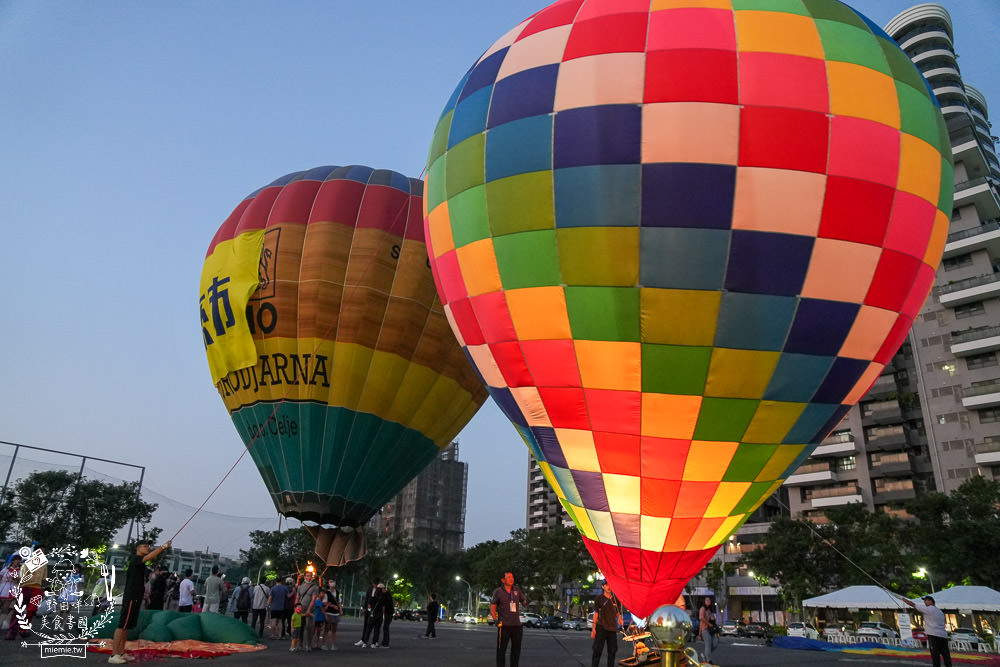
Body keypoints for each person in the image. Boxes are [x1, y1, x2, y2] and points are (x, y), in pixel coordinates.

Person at [108, 539, 170, 665]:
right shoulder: (135, 558)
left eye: (148, 546)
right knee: (122, 625)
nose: (147, 548)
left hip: (136, 597)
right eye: (145, 546)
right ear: (138, 548)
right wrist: (163, 547)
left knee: (127, 626)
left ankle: (121, 652)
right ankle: (114, 654)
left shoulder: (141, 563)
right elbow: (148, 557)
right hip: (131, 596)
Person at [897, 594, 952, 667]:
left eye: (926, 600)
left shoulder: (929, 609)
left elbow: (912, 604)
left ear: (931, 602)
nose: (924, 603)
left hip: (934, 635)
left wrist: (901, 598)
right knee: (946, 655)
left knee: (935, 655)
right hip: (943, 635)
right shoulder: (940, 612)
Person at [9, 545, 48, 640]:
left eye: (43, 551)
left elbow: (43, 579)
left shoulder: (44, 566)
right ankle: (11, 632)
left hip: (37, 589)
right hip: (25, 588)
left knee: (32, 610)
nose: (42, 553)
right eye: (40, 551)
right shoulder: (26, 563)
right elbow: (20, 577)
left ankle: (22, 629)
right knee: (18, 610)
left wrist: (43, 589)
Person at [490, 571, 528, 667]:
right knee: (501, 650)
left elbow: (524, 602)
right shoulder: (498, 591)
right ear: (503, 580)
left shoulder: (517, 590)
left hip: (516, 626)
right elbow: (493, 607)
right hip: (504, 625)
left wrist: (526, 601)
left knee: (516, 650)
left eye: (512, 577)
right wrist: (495, 620)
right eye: (509, 577)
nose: (512, 579)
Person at [591, 580, 623, 667]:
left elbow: (617, 612)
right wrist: (593, 628)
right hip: (601, 627)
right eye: (606, 585)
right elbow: (596, 613)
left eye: (610, 585)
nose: (609, 587)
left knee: (612, 652)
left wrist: (620, 618)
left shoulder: (616, 599)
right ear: (603, 587)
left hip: (612, 628)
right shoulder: (599, 599)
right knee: (597, 651)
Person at [295, 570, 319, 651]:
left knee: (308, 627)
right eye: (307, 576)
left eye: (310, 576)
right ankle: (300, 644)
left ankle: (308, 645)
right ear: (304, 577)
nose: (309, 577)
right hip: (300, 609)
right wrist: (296, 608)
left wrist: (309, 609)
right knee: (300, 627)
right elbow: (297, 598)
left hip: (310, 609)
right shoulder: (300, 587)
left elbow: (313, 599)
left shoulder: (315, 587)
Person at [0, 554, 23, 632]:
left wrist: (15, 579)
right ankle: (5, 621)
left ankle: (4, 622)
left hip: (13, 589)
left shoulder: (20, 571)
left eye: (19, 560)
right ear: (12, 561)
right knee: (4, 607)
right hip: (3, 588)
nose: (18, 561)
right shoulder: (5, 569)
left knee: (7, 607)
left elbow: (21, 581)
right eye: (16, 559)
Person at [698, 597, 719, 665]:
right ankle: (708, 660)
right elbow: (701, 618)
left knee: (715, 643)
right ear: (704, 601)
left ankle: (705, 655)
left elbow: (712, 618)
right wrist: (708, 624)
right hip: (705, 628)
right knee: (708, 644)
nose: (708, 601)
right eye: (707, 600)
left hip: (712, 629)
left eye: (709, 600)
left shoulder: (710, 609)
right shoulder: (703, 608)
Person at [323, 579, 341, 650]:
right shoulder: (326, 593)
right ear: (328, 584)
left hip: (336, 613)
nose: (332, 583)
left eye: (333, 582)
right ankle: (324, 644)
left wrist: (340, 610)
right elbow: (324, 602)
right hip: (328, 612)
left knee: (334, 630)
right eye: (330, 582)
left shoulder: (337, 592)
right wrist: (332, 606)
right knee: (326, 629)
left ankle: (333, 645)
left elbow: (339, 602)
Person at [369, 582, 388, 648]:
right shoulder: (383, 597)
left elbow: (369, 604)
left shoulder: (374, 596)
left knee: (369, 629)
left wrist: (370, 610)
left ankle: (365, 642)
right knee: (377, 629)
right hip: (379, 615)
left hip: (373, 614)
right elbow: (383, 607)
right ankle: (374, 642)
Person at [377, 583, 393, 648]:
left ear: (382, 589)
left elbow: (386, 603)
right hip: (388, 613)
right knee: (385, 627)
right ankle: (384, 642)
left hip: (389, 613)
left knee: (386, 627)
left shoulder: (386, 594)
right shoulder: (386, 594)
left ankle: (386, 643)